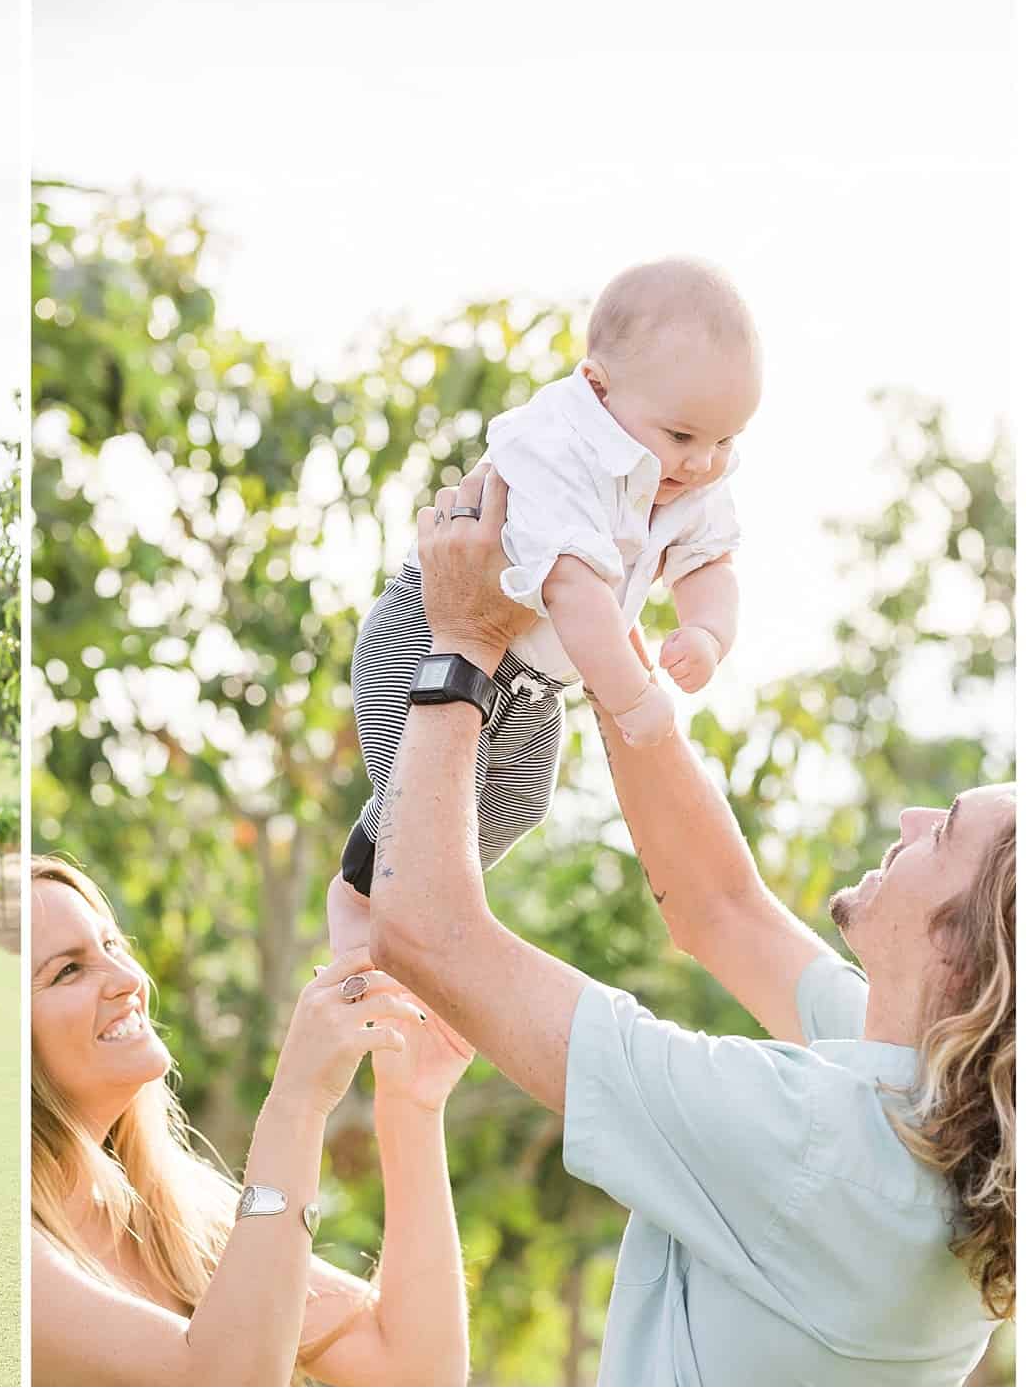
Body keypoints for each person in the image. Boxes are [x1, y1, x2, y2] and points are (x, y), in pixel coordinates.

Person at [345, 463, 1013, 1383]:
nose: (908, 821)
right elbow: (718, 907)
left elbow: (425, 931)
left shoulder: (822, 1152)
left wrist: (462, 643)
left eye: (944, 834)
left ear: (967, 947)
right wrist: (599, 602)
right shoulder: (918, 1120)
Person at [342, 258, 758, 895]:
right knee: (422, 802)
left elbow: (711, 562)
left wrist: (706, 632)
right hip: (429, 634)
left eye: (727, 440)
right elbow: (572, 588)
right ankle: (359, 894)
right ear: (597, 389)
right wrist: (633, 700)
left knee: (518, 804)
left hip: (536, 680)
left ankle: (408, 909)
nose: (703, 462)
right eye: (681, 435)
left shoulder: (691, 469)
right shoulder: (558, 447)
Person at [30, 856, 472, 1386]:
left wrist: (410, 1100)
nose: (129, 979)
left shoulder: (176, 1218)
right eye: (68, 971)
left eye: (111, 946)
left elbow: (415, 1371)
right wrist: (296, 1102)